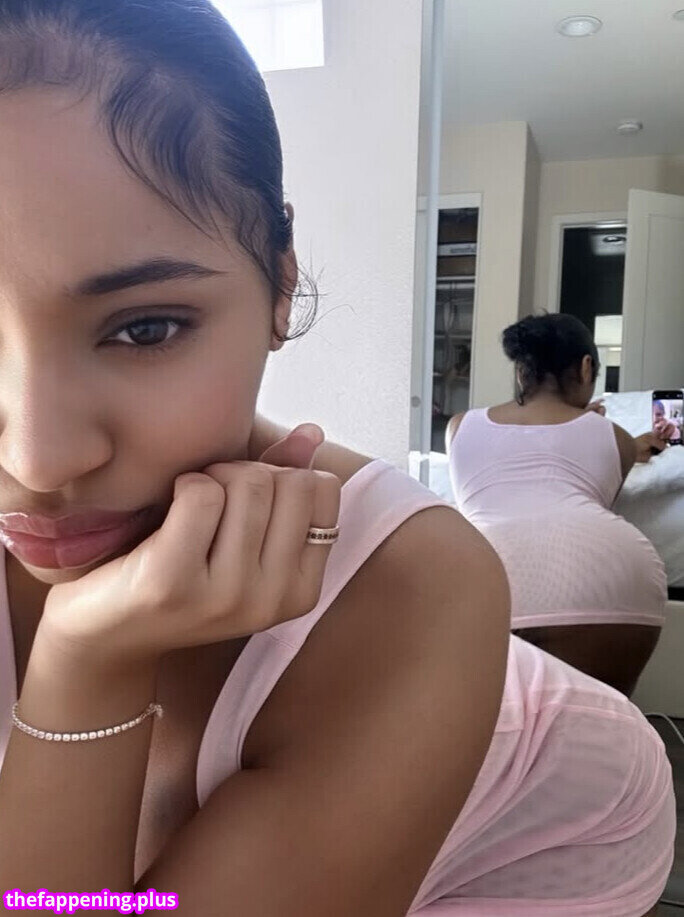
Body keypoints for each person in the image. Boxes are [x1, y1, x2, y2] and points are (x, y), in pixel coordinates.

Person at [0, 3, 674, 915]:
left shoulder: (424, 569)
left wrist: (86, 662)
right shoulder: (597, 429)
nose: (40, 460)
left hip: (548, 822)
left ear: (281, 281)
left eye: (146, 328)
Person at [446, 312, 669, 698]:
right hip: (608, 581)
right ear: (586, 368)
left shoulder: (459, 427)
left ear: (521, 372)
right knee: (602, 720)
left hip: (490, 580)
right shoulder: (614, 437)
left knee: (495, 725)